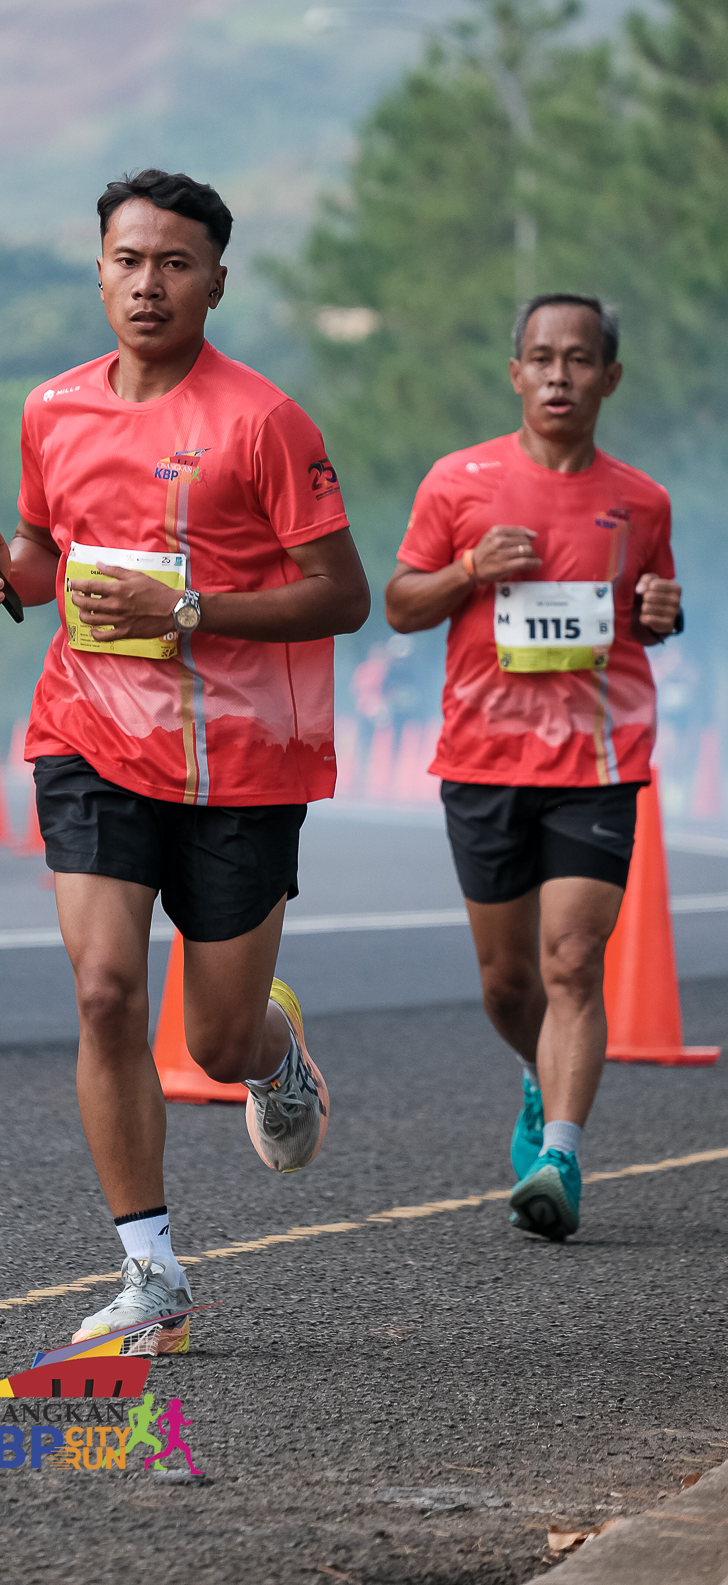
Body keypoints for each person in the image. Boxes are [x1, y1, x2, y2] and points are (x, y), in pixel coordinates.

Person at [0, 169, 370, 1349]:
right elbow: (47, 555)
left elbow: (342, 595)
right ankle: (150, 1270)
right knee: (103, 992)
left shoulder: (265, 424)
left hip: (242, 757)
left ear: (215, 282)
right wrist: (5, 575)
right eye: (128, 261)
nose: (148, 284)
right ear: (98, 272)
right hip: (88, 729)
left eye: (174, 264)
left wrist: (189, 611)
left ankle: (274, 1059)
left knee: (213, 1040)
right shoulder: (50, 410)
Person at [385, 293, 682, 1242]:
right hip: (483, 758)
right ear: (516, 373)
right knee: (509, 985)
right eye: (543, 358)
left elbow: (651, 609)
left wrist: (664, 615)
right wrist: (469, 570)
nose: (560, 375)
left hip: (598, 758)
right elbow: (400, 604)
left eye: (580, 359)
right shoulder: (458, 481)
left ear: (609, 377)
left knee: (574, 962)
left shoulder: (641, 501)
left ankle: (559, 1154)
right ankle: (536, 1072)